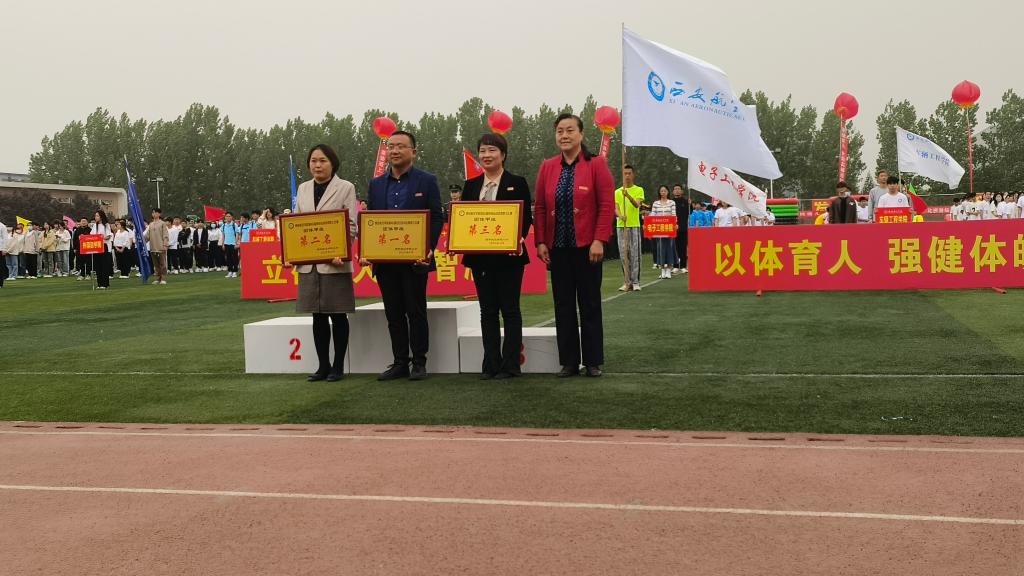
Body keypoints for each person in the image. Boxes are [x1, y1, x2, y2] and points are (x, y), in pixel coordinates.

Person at [534, 113, 614, 378]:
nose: (564, 136)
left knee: (589, 303)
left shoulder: (596, 164)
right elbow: (541, 207)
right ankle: (568, 362)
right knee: (563, 305)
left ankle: (592, 361)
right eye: (560, 131)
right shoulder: (548, 166)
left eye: (570, 130)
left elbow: (606, 206)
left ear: (581, 135)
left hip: (587, 247)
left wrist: (599, 240)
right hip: (558, 248)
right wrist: (541, 241)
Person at [364, 130, 444, 381]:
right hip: (386, 262)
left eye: (401, 146)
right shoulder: (376, 184)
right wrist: (367, 251)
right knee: (393, 313)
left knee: (416, 312)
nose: (395, 151)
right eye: (391, 146)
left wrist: (428, 248)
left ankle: (419, 362)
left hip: (415, 260)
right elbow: (371, 221)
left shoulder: (426, 181)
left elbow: (436, 217)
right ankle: (400, 362)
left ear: (413, 152)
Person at [461, 133, 532, 380]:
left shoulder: (517, 182)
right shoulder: (471, 185)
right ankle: (490, 363)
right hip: (480, 259)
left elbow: (525, 217)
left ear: (503, 154)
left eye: (492, 150)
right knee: (487, 311)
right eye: (482, 151)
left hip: (509, 258)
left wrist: (518, 238)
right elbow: (462, 219)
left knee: (510, 310)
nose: (486, 155)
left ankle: (511, 365)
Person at [294, 144, 358, 382]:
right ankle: (323, 366)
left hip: (335, 262)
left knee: (338, 315)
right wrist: (293, 252)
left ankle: (338, 366)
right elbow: (296, 224)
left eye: (322, 161)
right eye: (313, 161)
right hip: (309, 263)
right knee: (317, 316)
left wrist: (342, 251)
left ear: (333, 163)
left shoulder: (346, 187)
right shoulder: (303, 188)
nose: (317, 165)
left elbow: (351, 225)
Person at [614, 164, 644, 291]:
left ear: (633, 174)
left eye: (629, 173)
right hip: (622, 226)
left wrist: (628, 196)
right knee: (623, 254)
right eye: (625, 173)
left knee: (634, 254)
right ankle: (627, 281)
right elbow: (616, 208)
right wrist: (620, 216)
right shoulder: (617, 192)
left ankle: (636, 281)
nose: (627, 176)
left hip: (634, 225)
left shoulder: (639, 189)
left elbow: (637, 205)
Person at [650, 185, 676, 279]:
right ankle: (662, 270)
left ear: (668, 192)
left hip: (669, 228)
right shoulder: (656, 203)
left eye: (665, 191)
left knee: (669, 248)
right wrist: (648, 224)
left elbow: (673, 215)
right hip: (658, 228)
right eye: (661, 191)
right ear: (659, 192)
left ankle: (668, 269)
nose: (663, 192)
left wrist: (674, 224)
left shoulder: (672, 202)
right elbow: (653, 215)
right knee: (660, 248)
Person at [144, 208, 170, 284]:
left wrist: (165, 244)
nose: (153, 214)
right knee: (156, 264)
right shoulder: (151, 224)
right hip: (153, 247)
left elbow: (165, 235)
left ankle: (163, 278)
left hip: (161, 246)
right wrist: (141, 240)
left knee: (162, 263)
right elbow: (147, 236)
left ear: (159, 214)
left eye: (155, 212)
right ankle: (158, 278)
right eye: (152, 212)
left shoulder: (162, 223)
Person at [90, 210, 113, 289]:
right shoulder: (94, 226)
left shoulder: (106, 225)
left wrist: (101, 237)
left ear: (101, 217)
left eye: (97, 216)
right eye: (95, 216)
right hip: (96, 247)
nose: (95, 217)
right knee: (98, 266)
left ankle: (105, 284)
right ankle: (99, 284)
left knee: (104, 265)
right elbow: (91, 235)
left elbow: (108, 236)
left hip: (103, 246)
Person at [671, 184, 689, 274]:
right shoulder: (671, 202)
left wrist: (690, 205)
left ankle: (683, 266)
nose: (677, 190)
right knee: (674, 248)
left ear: (682, 191)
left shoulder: (685, 202)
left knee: (683, 248)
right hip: (673, 228)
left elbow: (690, 212)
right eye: (675, 189)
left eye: (678, 189)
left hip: (683, 228)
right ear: (673, 191)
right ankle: (675, 266)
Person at [222, 212, 239, 277]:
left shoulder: (234, 225)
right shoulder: (223, 225)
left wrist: (236, 243)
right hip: (226, 244)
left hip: (233, 244)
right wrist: (223, 244)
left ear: (232, 217)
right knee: (228, 258)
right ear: (225, 217)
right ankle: (230, 271)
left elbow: (237, 235)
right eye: (227, 216)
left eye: (229, 216)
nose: (228, 217)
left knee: (234, 258)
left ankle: (235, 271)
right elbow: (223, 235)